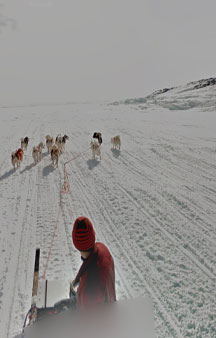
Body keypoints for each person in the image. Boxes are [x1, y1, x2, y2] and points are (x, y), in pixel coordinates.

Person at [71, 216, 116, 308]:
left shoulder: (88, 289)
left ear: (75, 243)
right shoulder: (103, 249)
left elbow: (88, 319)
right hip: (110, 305)